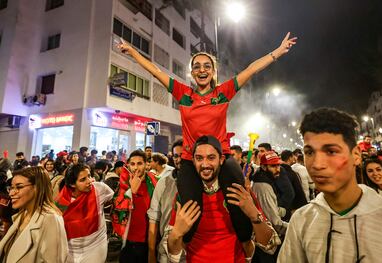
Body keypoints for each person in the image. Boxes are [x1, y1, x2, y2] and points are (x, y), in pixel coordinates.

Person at [118, 31, 297, 245]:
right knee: (191, 211)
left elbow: (251, 70)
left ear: (213, 72)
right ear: (192, 73)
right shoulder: (183, 94)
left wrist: (277, 52)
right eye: (197, 66)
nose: (201, 70)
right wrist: (131, 52)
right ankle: (189, 250)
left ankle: (245, 245)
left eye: (207, 66)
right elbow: (155, 71)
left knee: (238, 203)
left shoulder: (223, 92)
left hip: (221, 156)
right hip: (189, 159)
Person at [278, 108, 382, 262]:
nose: (317, 164)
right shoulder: (302, 221)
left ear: (356, 155)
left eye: (331, 151)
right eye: (309, 153)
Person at [164, 136, 279, 262]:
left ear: (221, 159)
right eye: (199, 158)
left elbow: (268, 244)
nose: (205, 164)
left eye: (211, 157)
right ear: (193, 160)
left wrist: (254, 215)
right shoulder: (185, 196)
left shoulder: (239, 192)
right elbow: (173, 252)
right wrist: (176, 233)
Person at [0, 167, 68, 262]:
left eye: (19, 187)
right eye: (11, 188)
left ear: (37, 187)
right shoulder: (23, 213)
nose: (11, 193)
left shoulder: (51, 218)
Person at [56, 164, 114, 263]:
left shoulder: (99, 188)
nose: (89, 181)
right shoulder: (61, 201)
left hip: (96, 245)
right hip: (70, 248)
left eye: (89, 176)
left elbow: (112, 200)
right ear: (72, 184)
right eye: (83, 180)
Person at [111, 150, 157, 263]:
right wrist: (131, 192)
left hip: (150, 240)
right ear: (128, 165)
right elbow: (115, 212)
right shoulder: (123, 184)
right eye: (133, 164)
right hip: (129, 241)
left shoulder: (154, 182)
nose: (136, 168)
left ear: (147, 164)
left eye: (139, 163)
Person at [147, 139, 184, 263]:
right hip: (166, 250)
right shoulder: (164, 182)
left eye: (183, 155)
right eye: (176, 156)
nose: (179, 159)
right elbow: (154, 218)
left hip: (192, 250)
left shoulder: (201, 183)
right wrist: (151, 253)